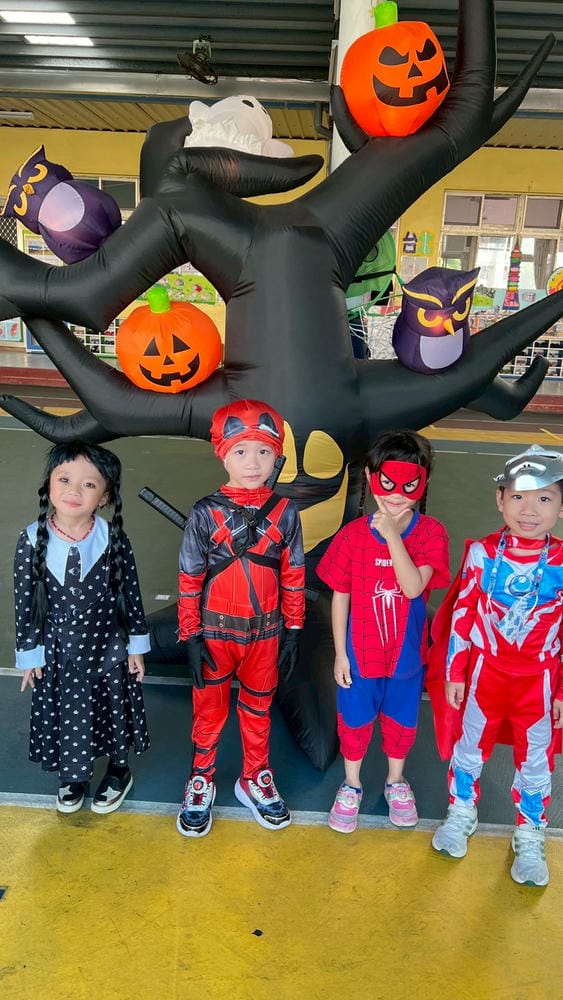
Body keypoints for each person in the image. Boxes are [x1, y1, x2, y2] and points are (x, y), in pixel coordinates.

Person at [430, 446, 563, 886]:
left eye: (544, 498)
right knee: (470, 747)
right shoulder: (483, 553)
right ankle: (461, 811)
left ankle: (530, 831)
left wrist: (562, 691)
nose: (530, 510)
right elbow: (463, 613)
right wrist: (455, 672)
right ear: (500, 500)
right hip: (485, 675)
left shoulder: (561, 561)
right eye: (518, 496)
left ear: (561, 507)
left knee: (536, 760)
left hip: (538, 682)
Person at [176, 399, 306, 838]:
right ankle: (201, 778)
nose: (253, 463)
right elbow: (189, 577)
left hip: (266, 635)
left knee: (258, 708)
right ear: (223, 454)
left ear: (277, 456)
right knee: (208, 711)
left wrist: (294, 629)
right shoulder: (204, 512)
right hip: (214, 634)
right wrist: (191, 636)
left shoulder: (286, 512)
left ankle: (255, 776)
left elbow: (294, 574)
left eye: (264, 451)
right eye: (241, 451)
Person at [316, 430, 450, 833]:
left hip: (406, 658)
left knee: (400, 721)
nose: (395, 495)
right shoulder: (352, 536)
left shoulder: (431, 533)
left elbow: (413, 588)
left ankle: (395, 781)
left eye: (408, 485)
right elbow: (340, 597)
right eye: (387, 483)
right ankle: (351, 784)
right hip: (360, 656)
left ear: (424, 481)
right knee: (354, 721)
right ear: (372, 478)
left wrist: (392, 535)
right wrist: (341, 654)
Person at [14, 441, 150, 815]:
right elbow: (25, 604)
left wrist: (135, 647)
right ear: (49, 484)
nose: (74, 490)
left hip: (109, 646)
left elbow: (131, 595)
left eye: (89, 484)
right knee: (70, 711)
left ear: (104, 496)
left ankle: (119, 770)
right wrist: (31, 655)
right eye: (65, 479)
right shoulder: (31, 540)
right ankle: (74, 776)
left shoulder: (113, 539)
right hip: (60, 652)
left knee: (114, 708)